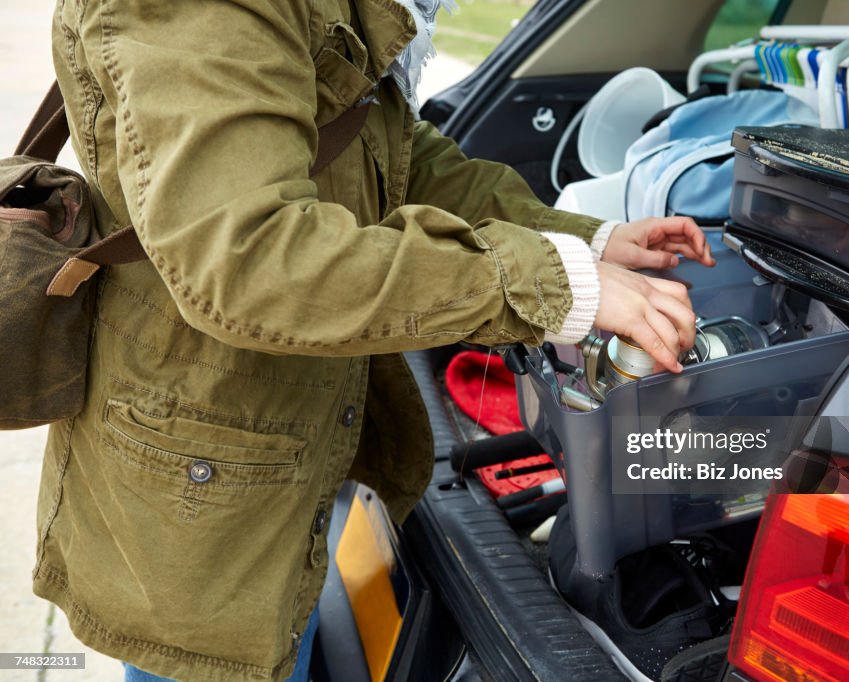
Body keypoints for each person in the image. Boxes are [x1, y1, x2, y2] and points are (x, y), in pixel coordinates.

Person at [40, 1, 713, 680]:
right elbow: (252, 259)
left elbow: (388, 155)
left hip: (278, 446)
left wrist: (577, 240)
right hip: (205, 481)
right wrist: (548, 285)